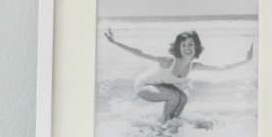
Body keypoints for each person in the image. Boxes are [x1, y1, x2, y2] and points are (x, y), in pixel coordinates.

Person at [103, 28, 254, 121]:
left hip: (160, 87)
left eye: (190, 44)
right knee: (174, 96)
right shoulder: (169, 61)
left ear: (196, 46)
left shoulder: (193, 66)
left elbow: (222, 67)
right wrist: (114, 42)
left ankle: (172, 125)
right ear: (179, 47)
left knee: (183, 98)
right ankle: (163, 126)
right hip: (144, 87)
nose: (187, 48)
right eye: (184, 45)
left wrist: (245, 61)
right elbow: (139, 53)